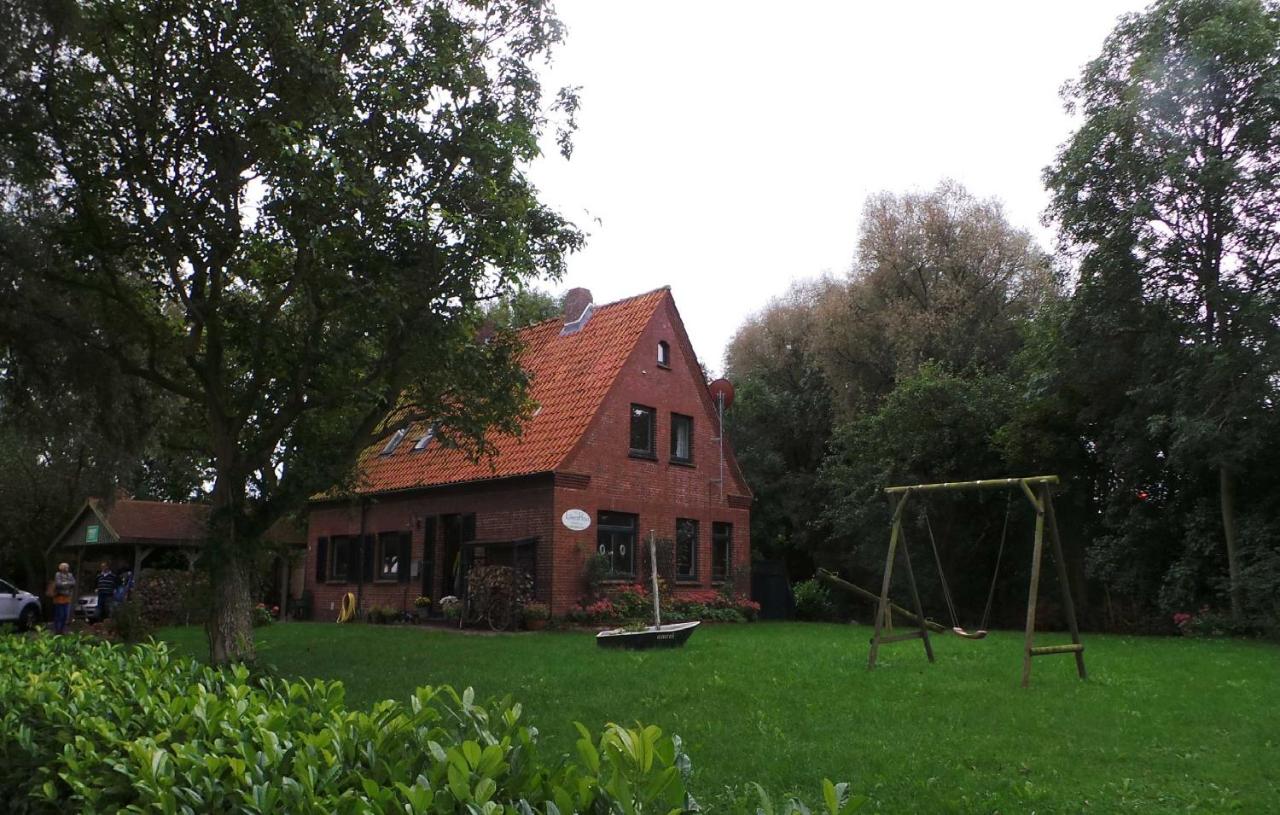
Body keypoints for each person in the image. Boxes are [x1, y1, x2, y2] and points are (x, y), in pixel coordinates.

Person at [51, 563, 76, 634]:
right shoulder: (58, 574)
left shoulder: (70, 575)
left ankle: (62, 630)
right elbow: (58, 584)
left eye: (68, 567)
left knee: (65, 615)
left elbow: (73, 583)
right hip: (59, 597)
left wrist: (64, 583)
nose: (67, 569)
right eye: (66, 567)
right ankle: (57, 630)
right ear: (62, 568)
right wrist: (68, 584)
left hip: (67, 597)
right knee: (59, 614)